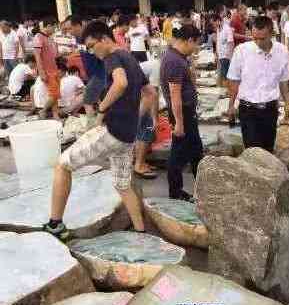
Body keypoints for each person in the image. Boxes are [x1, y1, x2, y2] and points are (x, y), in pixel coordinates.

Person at [43, 20, 156, 240]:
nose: (92, 52)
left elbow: (120, 83)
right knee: (122, 184)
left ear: (105, 39)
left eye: (92, 46)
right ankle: (140, 230)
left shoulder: (112, 57)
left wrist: (102, 108)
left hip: (113, 131)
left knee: (62, 165)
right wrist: (135, 116)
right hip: (128, 135)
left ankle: (55, 224)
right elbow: (150, 93)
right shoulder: (130, 58)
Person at [227, 15, 289, 153]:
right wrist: (231, 105)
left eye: (262, 38)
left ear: (271, 34)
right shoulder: (242, 51)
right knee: (253, 152)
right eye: (254, 38)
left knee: (268, 150)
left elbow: (284, 79)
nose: (258, 42)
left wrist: (287, 102)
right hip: (248, 109)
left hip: (270, 109)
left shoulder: (282, 51)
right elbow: (234, 80)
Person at [160, 24, 203, 202]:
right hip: (182, 113)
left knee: (195, 152)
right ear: (189, 40)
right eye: (196, 44)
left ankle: (202, 187)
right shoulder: (174, 61)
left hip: (185, 112)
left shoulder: (177, 56)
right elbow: (174, 95)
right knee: (178, 154)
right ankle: (176, 192)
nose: (196, 48)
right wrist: (179, 123)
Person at [64, 15, 106, 120]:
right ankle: (102, 122)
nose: (69, 32)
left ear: (79, 25)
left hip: (100, 74)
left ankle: (92, 126)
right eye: (67, 29)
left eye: (70, 28)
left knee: (87, 100)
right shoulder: (78, 39)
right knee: (101, 101)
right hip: (91, 75)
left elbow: (103, 55)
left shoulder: (91, 37)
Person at [134, 58, 160, 178]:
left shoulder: (155, 65)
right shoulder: (157, 67)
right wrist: (155, 118)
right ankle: (139, 165)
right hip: (138, 97)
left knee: (144, 129)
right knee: (146, 129)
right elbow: (153, 94)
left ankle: (141, 162)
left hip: (138, 95)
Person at [33, 17, 60, 120]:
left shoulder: (49, 38)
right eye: (54, 27)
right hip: (47, 70)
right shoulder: (38, 37)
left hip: (54, 68)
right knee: (55, 93)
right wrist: (41, 72)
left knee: (56, 94)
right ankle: (43, 110)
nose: (55, 30)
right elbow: (37, 56)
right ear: (48, 26)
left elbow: (54, 55)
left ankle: (55, 115)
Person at [216, 14, 234, 88]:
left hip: (226, 55)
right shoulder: (218, 29)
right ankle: (223, 89)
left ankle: (226, 90)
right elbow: (218, 42)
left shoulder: (227, 29)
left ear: (218, 21)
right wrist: (216, 53)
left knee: (225, 75)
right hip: (220, 54)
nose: (214, 24)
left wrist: (230, 56)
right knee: (221, 73)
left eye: (214, 22)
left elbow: (231, 43)